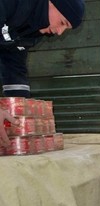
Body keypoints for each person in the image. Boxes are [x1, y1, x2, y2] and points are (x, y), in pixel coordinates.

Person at [0, 0, 85, 147]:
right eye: (63, 22)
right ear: (52, 3)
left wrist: (19, 117)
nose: (59, 32)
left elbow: (14, 65)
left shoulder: (31, 30)